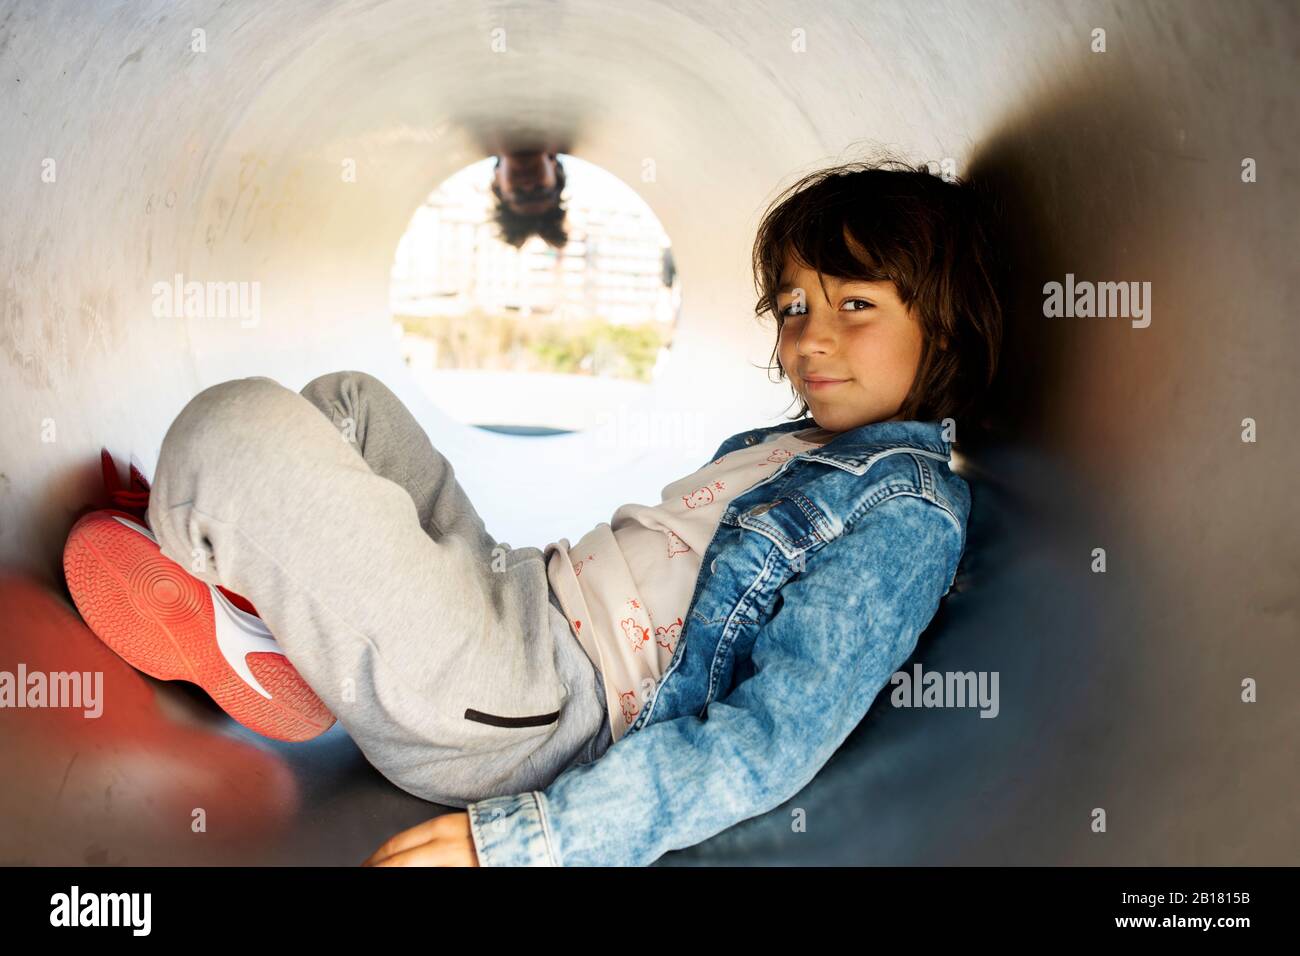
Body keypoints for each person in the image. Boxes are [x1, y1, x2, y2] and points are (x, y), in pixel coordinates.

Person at [63, 156, 1003, 867]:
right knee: (350, 402)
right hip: (519, 594)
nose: (811, 339)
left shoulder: (908, 511)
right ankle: (262, 619)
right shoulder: (800, 444)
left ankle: (219, 567)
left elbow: (770, 744)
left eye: (857, 306)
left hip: (525, 706)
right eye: (795, 306)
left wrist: (519, 844)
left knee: (234, 428)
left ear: (944, 324)